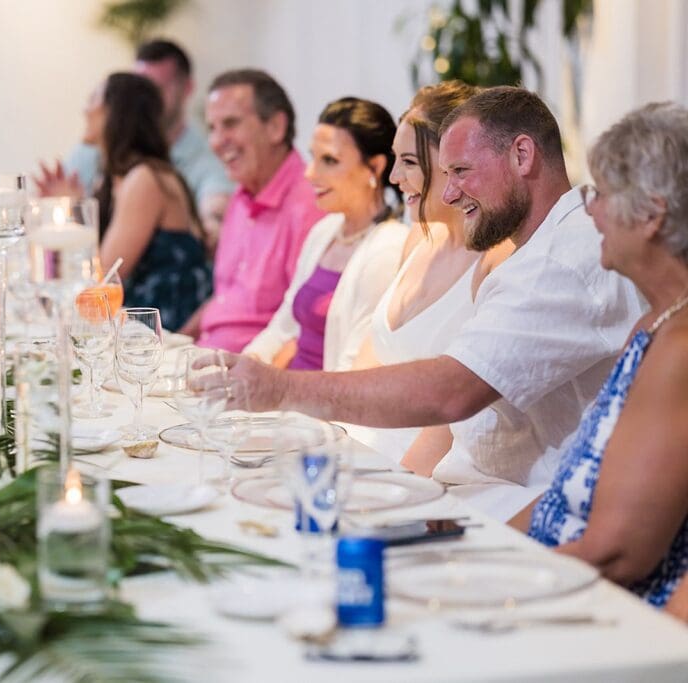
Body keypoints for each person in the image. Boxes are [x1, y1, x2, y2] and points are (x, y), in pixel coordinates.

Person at [206, 86, 643, 519]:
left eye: (461, 170)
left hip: (502, 507)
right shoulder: (535, 248)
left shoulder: (563, 257)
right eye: (446, 173)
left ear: (522, 155)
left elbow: (452, 392)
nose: (449, 193)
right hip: (457, 490)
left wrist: (280, 390)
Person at [510, 102, 688, 609]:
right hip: (562, 574)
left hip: (604, 610)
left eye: (602, 194)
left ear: (651, 215)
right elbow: (570, 490)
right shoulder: (657, 321)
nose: (590, 210)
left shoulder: (680, 346)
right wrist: (480, 550)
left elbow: (618, 553)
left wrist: (498, 588)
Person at [347, 81, 514, 471]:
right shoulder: (417, 240)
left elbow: (452, 421)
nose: (393, 177)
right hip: (364, 443)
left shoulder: (498, 259)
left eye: (408, 161)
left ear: (455, 162)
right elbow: (368, 366)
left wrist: (398, 486)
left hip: (429, 467)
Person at [242, 97, 409, 371]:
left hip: (321, 406)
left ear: (376, 167)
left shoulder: (389, 247)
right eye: (313, 157)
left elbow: (356, 370)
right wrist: (247, 365)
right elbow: (283, 326)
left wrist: (281, 393)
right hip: (285, 394)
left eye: (329, 160)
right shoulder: (325, 231)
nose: (310, 173)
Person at [39, 39, 232, 250]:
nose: (85, 109)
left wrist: (211, 224)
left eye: (154, 89)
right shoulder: (91, 154)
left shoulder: (150, 176)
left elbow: (104, 274)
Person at [186, 69, 326, 352]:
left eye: (230, 124)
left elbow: (303, 332)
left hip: (250, 376)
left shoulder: (311, 206)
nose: (215, 141)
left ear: (276, 127)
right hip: (206, 360)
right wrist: (168, 344)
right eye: (212, 128)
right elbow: (224, 301)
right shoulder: (241, 196)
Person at [84, 72, 210, 332]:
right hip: (135, 328)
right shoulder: (116, 179)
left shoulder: (145, 179)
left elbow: (104, 280)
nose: (85, 109)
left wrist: (71, 222)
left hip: (162, 333)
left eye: (93, 99)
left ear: (116, 112)